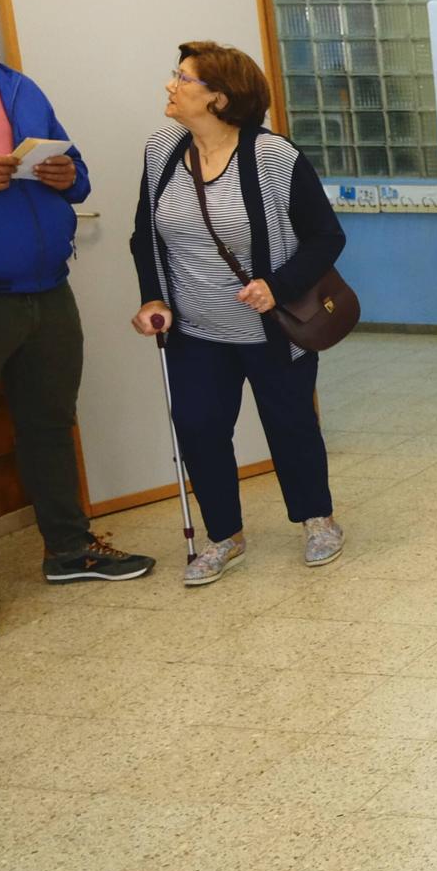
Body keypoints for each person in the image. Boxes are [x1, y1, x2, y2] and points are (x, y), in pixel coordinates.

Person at [130, 42, 347, 586]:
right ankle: (224, 536)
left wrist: (276, 286)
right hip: (195, 329)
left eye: (183, 78)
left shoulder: (274, 157)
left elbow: (326, 237)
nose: (171, 85)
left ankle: (317, 519)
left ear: (219, 98)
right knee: (198, 427)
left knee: (290, 424)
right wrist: (153, 298)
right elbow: (144, 237)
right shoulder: (162, 151)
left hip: (271, 329)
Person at [0, 0, 156, 596]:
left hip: (48, 291)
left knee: (50, 425)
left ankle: (69, 550)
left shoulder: (20, 88)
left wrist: (67, 176)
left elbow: (77, 172)